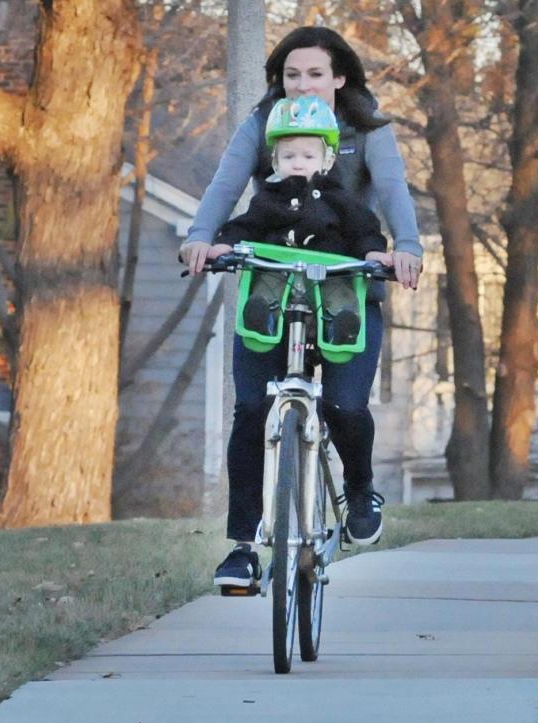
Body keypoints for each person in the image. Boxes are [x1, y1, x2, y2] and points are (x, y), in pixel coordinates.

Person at [180, 26, 422, 590]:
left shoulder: (367, 131)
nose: (303, 84)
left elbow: (392, 192)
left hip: (346, 290)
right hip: (273, 288)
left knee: (343, 404)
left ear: (340, 77)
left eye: (315, 73)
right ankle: (243, 547)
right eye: (292, 74)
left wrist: (403, 250)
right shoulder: (264, 124)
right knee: (249, 408)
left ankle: (359, 490)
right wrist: (201, 236)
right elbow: (225, 186)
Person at [210, 95, 391, 348]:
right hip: (278, 271)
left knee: (339, 297)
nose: (297, 164)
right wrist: (226, 243)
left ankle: (341, 325)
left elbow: (362, 227)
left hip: (328, 273)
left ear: (327, 161)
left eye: (308, 157)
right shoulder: (269, 199)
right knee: (263, 291)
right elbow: (247, 225)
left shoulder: (337, 198)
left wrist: (373, 251)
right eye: (288, 157)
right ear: (275, 161)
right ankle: (262, 318)